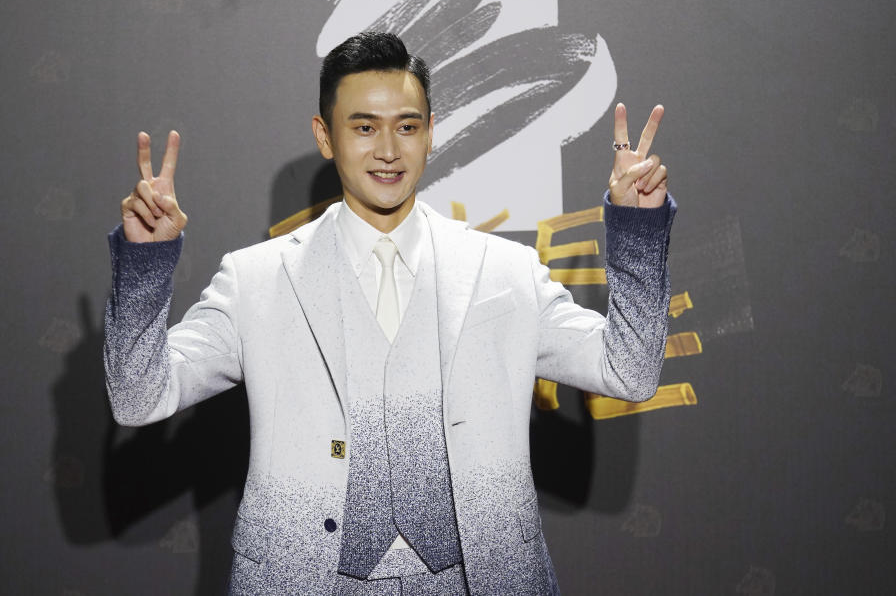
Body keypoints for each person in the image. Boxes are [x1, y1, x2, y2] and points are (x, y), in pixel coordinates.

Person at [105, 32, 675, 595]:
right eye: (364, 127)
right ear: (325, 137)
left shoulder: (503, 271)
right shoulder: (255, 280)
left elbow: (628, 370)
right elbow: (139, 397)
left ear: (431, 134)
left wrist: (638, 230)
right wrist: (146, 262)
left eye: (407, 126)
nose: (387, 150)